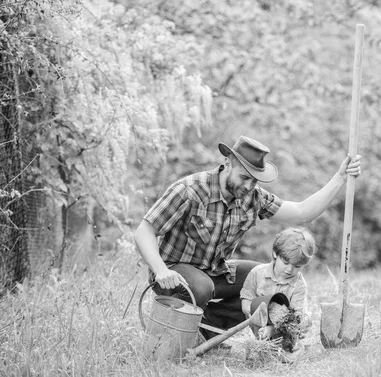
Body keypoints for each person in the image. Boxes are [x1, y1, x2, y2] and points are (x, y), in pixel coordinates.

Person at [134, 135, 361, 337]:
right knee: (202, 286)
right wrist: (161, 269)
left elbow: (302, 212)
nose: (249, 186)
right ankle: (176, 330)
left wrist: (340, 178)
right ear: (227, 164)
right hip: (173, 273)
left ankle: (208, 327)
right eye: (244, 178)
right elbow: (145, 230)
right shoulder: (190, 190)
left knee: (267, 278)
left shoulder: (253, 197)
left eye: (255, 180)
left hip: (215, 272)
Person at [240, 227, 315, 341]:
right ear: (275, 253)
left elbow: (295, 317)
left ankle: (286, 340)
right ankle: (263, 339)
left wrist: (273, 329)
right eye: (285, 263)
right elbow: (246, 297)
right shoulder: (257, 273)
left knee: (304, 322)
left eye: (297, 266)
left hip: (285, 324)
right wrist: (250, 311)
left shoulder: (299, 285)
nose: (289, 269)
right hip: (259, 319)